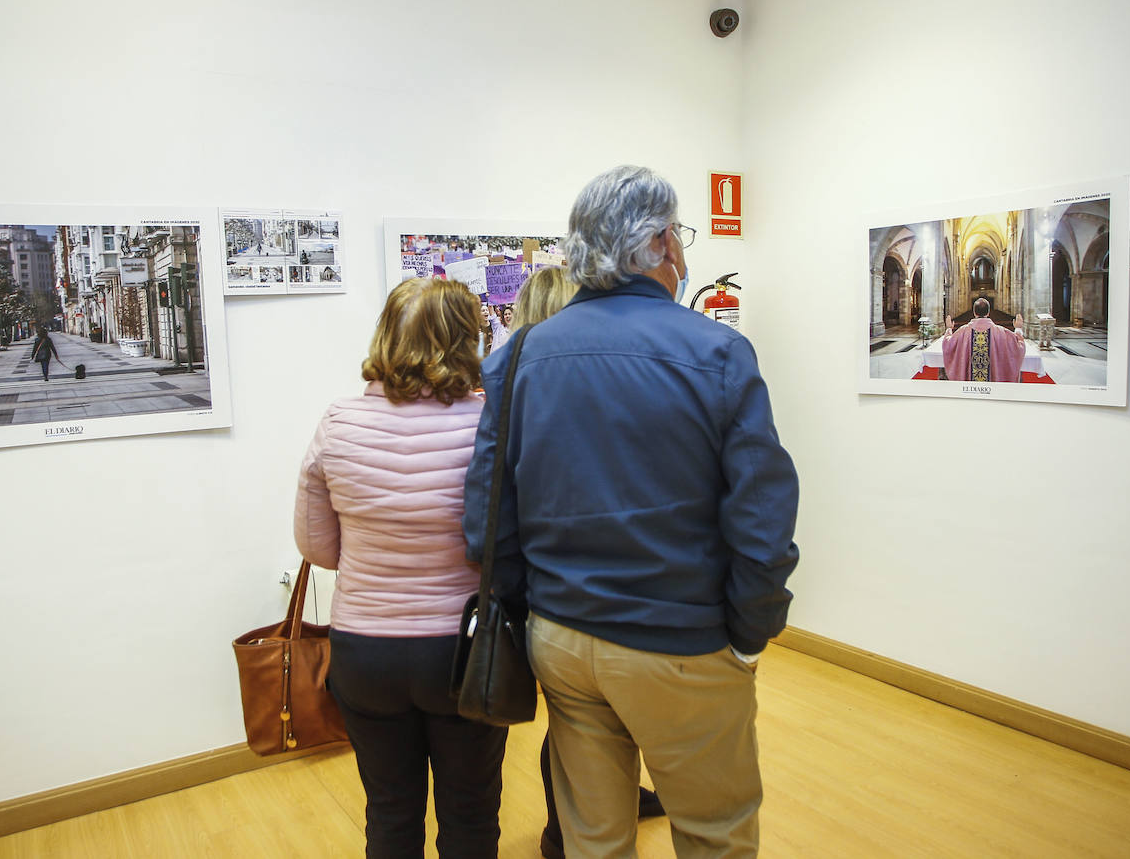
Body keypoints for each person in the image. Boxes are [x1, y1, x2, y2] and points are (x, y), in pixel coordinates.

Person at [463, 165, 800, 857]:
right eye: (677, 234)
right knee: (715, 831)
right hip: (681, 641)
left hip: (563, 640)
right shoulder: (718, 352)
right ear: (655, 248)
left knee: (592, 838)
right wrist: (749, 633)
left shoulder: (518, 356)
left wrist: (537, 610)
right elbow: (762, 517)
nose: (682, 250)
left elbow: (489, 517)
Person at [294, 277, 508, 859]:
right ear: (468, 339)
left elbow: (319, 550)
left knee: (389, 809)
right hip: (463, 651)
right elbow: (504, 543)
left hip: (366, 651)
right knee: (470, 812)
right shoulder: (488, 426)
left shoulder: (337, 422)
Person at [510, 263, 665, 859]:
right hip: (578, 594)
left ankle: (590, 814)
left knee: (578, 720)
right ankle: (568, 824)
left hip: (550, 590)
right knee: (584, 722)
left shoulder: (519, 388)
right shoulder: (569, 393)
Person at [939, 297, 1026, 382]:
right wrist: (1018, 328)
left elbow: (948, 344)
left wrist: (949, 328)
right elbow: (1018, 346)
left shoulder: (963, 331)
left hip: (968, 388)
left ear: (974, 313)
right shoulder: (1001, 331)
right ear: (988, 313)